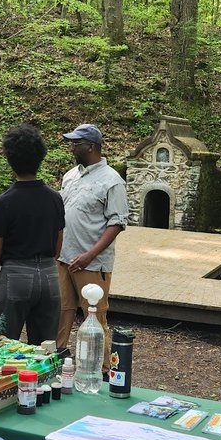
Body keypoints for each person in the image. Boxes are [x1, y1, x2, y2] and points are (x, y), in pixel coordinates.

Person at [0, 124, 66, 343]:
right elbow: (58, 246)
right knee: (45, 350)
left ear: (10, 160)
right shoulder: (55, 198)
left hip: (14, 276)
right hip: (49, 277)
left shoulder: (2, 203)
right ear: (40, 158)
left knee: (2, 346)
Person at [56, 123, 127, 368]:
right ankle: (57, 355)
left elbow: (117, 223)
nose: (72, 147)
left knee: (94, 316)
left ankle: (103, 368)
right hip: (64, 258)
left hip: (92, 263)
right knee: (62, 310)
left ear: (92, 146)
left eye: (77, 143)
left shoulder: (112, 181)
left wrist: (89, 255)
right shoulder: (70, 175)